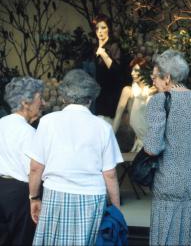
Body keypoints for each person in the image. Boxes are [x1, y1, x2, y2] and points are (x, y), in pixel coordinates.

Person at [27, 69, 123, 246]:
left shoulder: (48, 122)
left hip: (56, 194)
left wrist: (34, 197)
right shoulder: (103, 127)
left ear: (63, 97)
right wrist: (116, 209)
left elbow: (35, 168)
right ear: (90, 99)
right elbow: (110, 174)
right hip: (92, 197)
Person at [144, 49, 191, 246]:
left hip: (169, 191)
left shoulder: (159, 101)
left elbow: (152, 148)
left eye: (155, 77)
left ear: (167, 78)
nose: (153, 82)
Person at [0, 76, 44, 246]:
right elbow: (33, 170)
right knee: (22, 240)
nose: (43, 103)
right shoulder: (28, 133)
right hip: (19, 194)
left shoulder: (1, 123)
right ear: (26, 103)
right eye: (40, 98)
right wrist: (36, 197)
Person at [112, 57, 155, 152]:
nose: (132, 73)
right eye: (132, 70)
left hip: (155, 140)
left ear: (144, 71)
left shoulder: (155, 90)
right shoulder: (129, 91)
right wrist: (109, 140)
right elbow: (117, 117)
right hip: (141, 141)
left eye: (136, 70)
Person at [93, 14, 128, 119]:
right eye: (97, 28)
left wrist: (104, 54)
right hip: (97, 92)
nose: (100, 31)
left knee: (108, 121)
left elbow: (117, 70)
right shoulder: (94, 47)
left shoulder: (114, 45)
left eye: (103, 27)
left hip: (110, 93)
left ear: (109, 29)